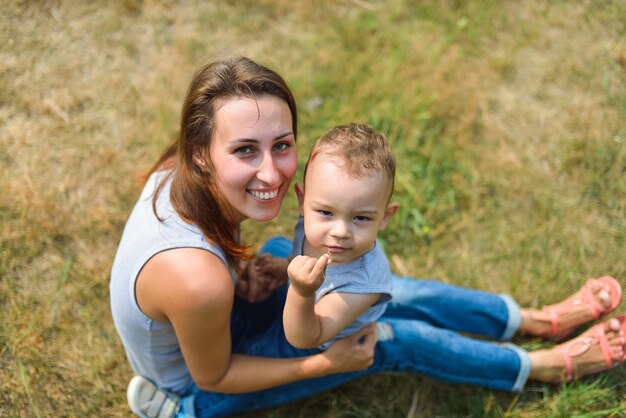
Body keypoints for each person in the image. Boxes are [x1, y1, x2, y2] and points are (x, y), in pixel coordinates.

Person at [109, 56, 626, 418]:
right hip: (205, 380)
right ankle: (540, 365)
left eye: (282, 145)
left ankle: (531, 319)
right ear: (201, 150)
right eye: (245, 150)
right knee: (392, 339)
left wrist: (246, 270)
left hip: (220, 308)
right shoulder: (197, 279)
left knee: (390, 291)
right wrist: (324, 363)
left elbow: (217, 258)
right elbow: (213, 375)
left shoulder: (184, 173)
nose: (272, 173)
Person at [282, 123, 398, 350]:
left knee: (420, 341)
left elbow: (303, 339)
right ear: (302, 203)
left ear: (385, 217)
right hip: (300, 308)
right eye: (326, 213)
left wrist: (301, 292)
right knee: (275, 246)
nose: (340, 232)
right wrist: (282, 269)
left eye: (361, 218)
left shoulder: (362, 282)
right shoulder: (308, 223)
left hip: (341, 347)